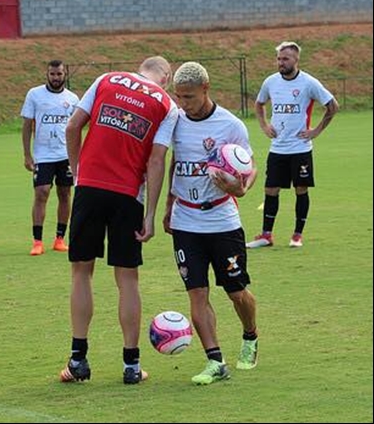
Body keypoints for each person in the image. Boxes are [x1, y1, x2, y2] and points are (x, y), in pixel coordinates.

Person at [62, 56, 177, 385]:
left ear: (141, 68)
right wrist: (151, 214)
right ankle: (131, 364)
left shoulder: (106, 79)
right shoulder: (167, 104)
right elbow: (156, 160)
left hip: (89, 187)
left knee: (81, 272)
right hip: (128, 196)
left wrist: (77, 172)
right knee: (128, 280)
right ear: (165, 77)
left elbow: (72, 126)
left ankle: (78, 360)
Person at [162, 61, 260, 385]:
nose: (182, 104)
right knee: (197, 293)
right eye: (178, 96)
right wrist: (168, 205)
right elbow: (176, 161)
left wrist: (241, 188)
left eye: (188, 97)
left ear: (206, 88)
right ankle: (215, 361)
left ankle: (250, 334)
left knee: (236, 291)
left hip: (222, 219)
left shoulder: (230, 125)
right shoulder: (175, 120)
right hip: (185, 221)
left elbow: (250, 165)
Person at [247, 41, 338, 249]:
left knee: (301, 190)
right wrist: (264, 125)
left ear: (296, 60)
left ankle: (297, 235)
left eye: (285, 58)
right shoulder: (270, 82)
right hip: (277, 148)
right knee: (270, 189)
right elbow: (259, 104)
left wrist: (316, 131)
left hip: (300, 149)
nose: (281, 62)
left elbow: (333, 106)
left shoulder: (309, 83)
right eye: (279, 58)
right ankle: (266, 235)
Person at [20, 60, 79, 255]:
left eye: (59, 74)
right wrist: (27, 154)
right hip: (43, 155)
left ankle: (59, 239)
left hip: (65, 155)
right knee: (42, 192)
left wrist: (77, 155)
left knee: (65, 194)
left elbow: (76, 128)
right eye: (52, 74)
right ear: (47, 74)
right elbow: (27, 125)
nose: (56, 77)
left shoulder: (72, 99)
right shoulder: (34, 95)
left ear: (65, 75)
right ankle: (37, 241)